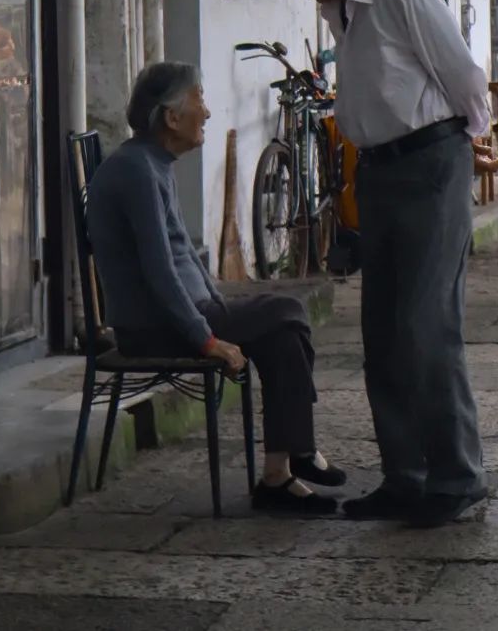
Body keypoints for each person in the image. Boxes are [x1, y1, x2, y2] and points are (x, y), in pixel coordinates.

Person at [267, 0, 490, 529]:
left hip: (430, 164)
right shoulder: (341, 3)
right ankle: (404, 476)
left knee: (427, 327)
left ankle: (456, 475)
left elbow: (463, 77)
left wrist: (461, 150)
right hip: (380, 171)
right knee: (384, 336)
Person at [86, 61, 344, 517]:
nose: (206, 113)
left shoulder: (152, 164)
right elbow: (161, 272)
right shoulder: (137, 172)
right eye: (199, 99)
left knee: (283, 330)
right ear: (171, 116)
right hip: (157, 326)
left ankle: (279, 475)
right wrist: (207, 340)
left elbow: (182, 255)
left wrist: (218, 305)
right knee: (288, 310)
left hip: (189, 312)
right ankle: (295, 451)